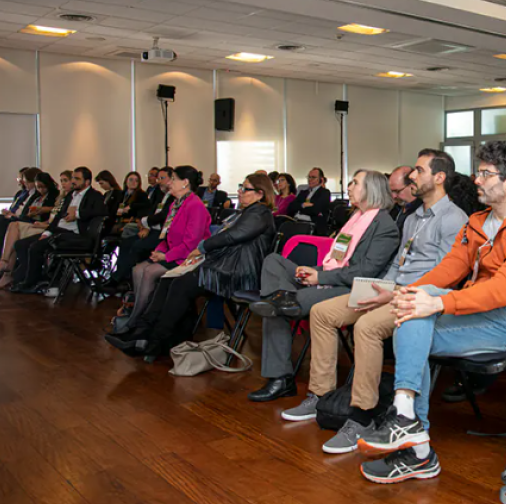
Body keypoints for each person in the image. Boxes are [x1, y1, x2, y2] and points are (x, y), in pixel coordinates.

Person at [356, 141, 506, 485]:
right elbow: (450, 268)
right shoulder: (479, 221)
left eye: (485, 173)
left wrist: (438, 303)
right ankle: (409, 425)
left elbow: (504, 290)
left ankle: (414, 440)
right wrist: (409, 291)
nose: (476, 180)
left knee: (416, 316)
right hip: (477, 312)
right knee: (414, 306)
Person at [280, 151, 468, 454]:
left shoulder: (454, 219)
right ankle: (321, 397)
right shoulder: (414, 216)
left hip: (417, 297)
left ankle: (362, 416)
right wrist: (381, 288)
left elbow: (447, 276)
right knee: (322, 312)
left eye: (419, 171)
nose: (412, 178)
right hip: (392, 288)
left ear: (440, 177)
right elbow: (398, 264)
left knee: (366, 327)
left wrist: (395, 292)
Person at [247, 170, 399, 402]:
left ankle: (280, 378)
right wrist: (315, 271)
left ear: (372, 190)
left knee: (277, 308)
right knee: (273, 262)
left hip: (353, 289)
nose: (348, 187)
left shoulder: (384, 226)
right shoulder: (354, 219)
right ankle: (280, 299)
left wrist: (320, 278)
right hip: (331, 279)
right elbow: (335, 260)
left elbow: (365, 272)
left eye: (355, 183)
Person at [106, 174, 276, 356]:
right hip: (224, 266)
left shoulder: (260, 213)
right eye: (241, 186)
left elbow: (231, 237)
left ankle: (155, 341)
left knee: (181, 283)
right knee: (168, 279)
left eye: (245, 188)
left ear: (260, 194)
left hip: (237, 272)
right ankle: (142, 333)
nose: (240, 192)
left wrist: (201, 248)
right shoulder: (246, 212)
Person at [126, 166, 211, 325]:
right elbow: (165, 235)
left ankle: (137, 320)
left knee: (150, 271)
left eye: (173, 179)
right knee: (137, 270)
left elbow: (191, 243)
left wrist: (166, 256)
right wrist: (159, 251)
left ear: (185, 183)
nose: (169, 183)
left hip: (188, 256)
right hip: (173, 252)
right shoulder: (175, 204)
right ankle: (141, 314)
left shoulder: (196, 206)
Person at [9, 167, 108, 293]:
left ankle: (30, 283)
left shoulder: (95, 196)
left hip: (75, 235)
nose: (73, 181)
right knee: (20, 244)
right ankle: (30, 277)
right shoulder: (70, 196)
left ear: (87, 182)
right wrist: (46, 232)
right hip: (58, 230)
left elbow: (102, 211)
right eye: (73, 178)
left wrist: (77, 214)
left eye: (77, 179)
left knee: (36, 247)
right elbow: (57, 217)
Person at [0, 172, 62, 288]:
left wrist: (43, 211)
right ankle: (5, 265)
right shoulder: (36, 196)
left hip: (43, 226)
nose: (40, 190)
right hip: (33, 222)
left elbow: (55, 216)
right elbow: (25, 213)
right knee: (13, 226)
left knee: (13, 230)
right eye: (38, 187)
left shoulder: (56, 197)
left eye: (42, 187)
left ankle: (4, 265)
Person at [290, 167, 331, 233]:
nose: (310, 180)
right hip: (297, 222)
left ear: (321, 179)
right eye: (309, 177)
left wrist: (299, 208)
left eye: (313, 177)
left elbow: (315, 210)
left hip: (312, 225)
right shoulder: (303, 192)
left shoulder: (325, 193)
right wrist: (303, 205)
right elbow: (291, 207)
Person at [388, 165, 421, 230]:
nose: (393, 196)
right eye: (391, 191)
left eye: (397, 191)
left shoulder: (421, 211)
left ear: (412, 185)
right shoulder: (394, 208)